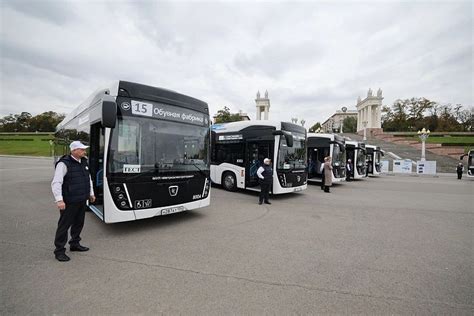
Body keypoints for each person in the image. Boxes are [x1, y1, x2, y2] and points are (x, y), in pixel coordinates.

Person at [51, 141, 95, 262]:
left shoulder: (84, 161)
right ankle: (59, 251)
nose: (84, 151)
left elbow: (88, 178)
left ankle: (75, 244)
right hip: (69, 201)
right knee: (64, 226)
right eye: (82, 150)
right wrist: (59, 200)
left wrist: (91, 193)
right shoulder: (64, 164)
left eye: (84, 149)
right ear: (74, 151)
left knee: (78, 223)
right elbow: (56, 182)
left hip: (81, 199)